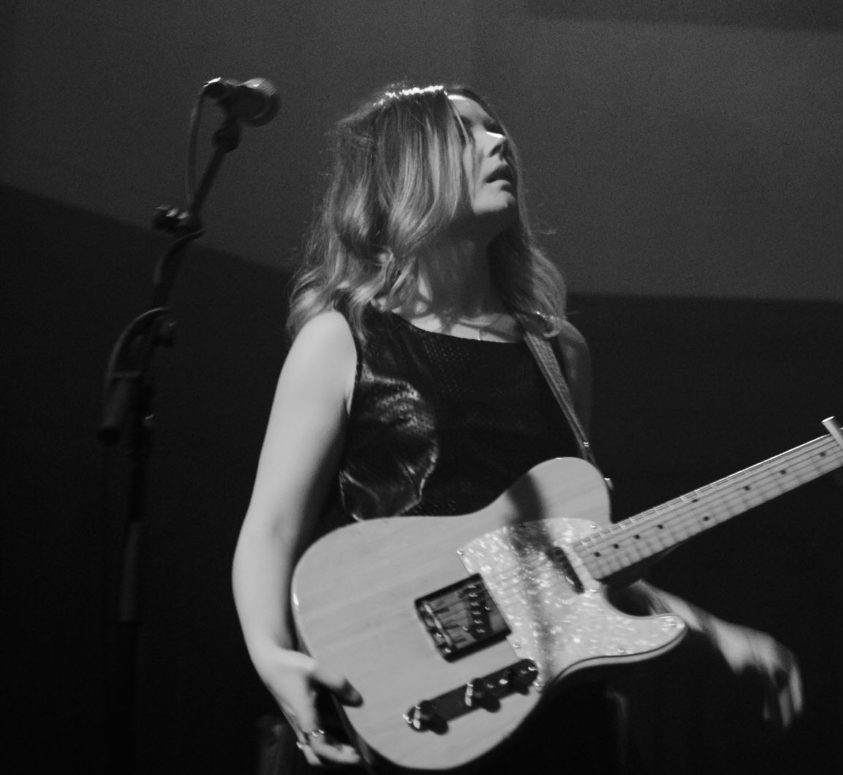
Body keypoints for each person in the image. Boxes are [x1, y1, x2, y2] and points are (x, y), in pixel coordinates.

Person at [232, 82, 803, 774]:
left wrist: (716, 636)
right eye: (465, 132)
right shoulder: (341, 338)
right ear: (406, 168)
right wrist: (271, 654)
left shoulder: (559, 351)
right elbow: (269, 529)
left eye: (495, 128)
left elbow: (566, 565)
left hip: (556, 728)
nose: (500, 143)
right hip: (412, 714)